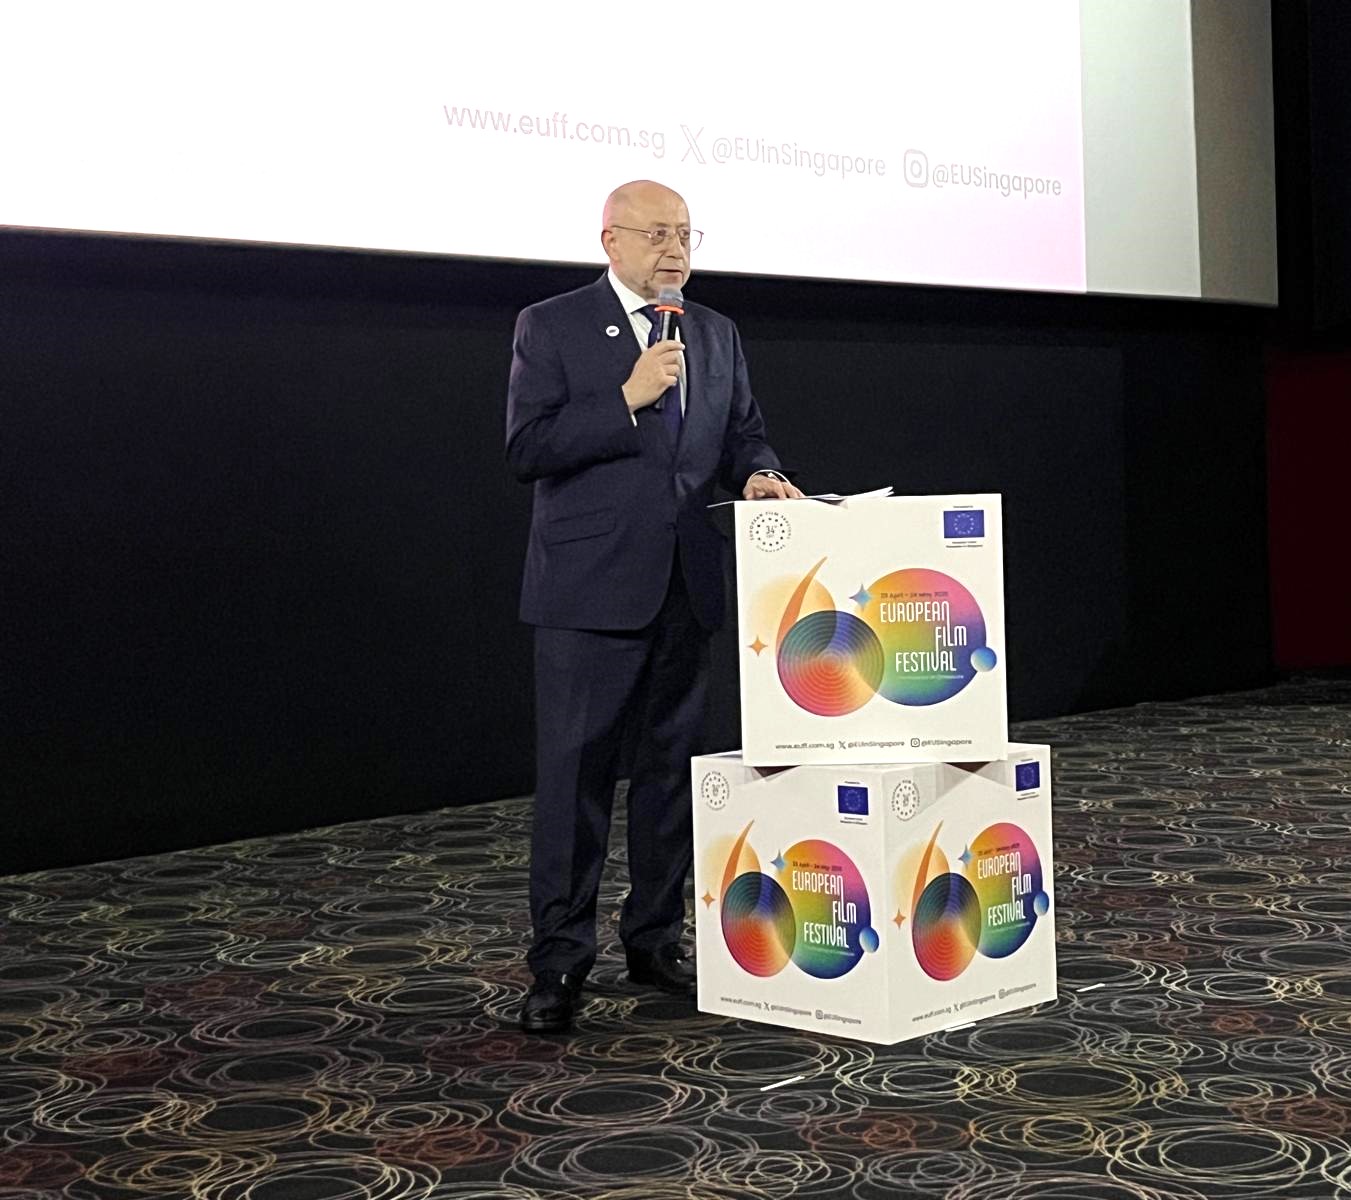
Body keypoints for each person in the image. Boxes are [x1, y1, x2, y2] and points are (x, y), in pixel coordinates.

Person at [505, 179, 803, 1033]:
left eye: (684, 234)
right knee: (576, 785)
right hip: (588, 590)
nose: (674, 250)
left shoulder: (713, 331)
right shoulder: (551, 324)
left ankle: (655, 939)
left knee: (671, 780)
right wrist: (625, 397)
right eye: (656, 235)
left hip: (685, 585)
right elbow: (527, 447)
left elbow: (740, 430)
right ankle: (559, 962)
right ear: (611, 241)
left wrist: (758, 471)